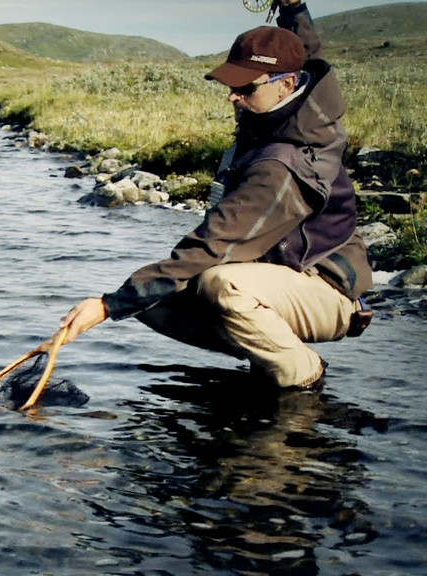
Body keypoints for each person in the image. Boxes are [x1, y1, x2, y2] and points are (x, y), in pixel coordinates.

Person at [58, 0, 373, 389]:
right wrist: (294, 8)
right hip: (281, 273)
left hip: (327, 288)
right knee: (153, 301)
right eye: (230, 85)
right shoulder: (303, 102)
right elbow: (308, 54)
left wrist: (108, 306)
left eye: (245, 87)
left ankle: (301, 376)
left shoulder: (282, 166)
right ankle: (268, 358)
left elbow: (215, 243)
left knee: (221, 286)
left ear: (287, 85)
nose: (232, 97)